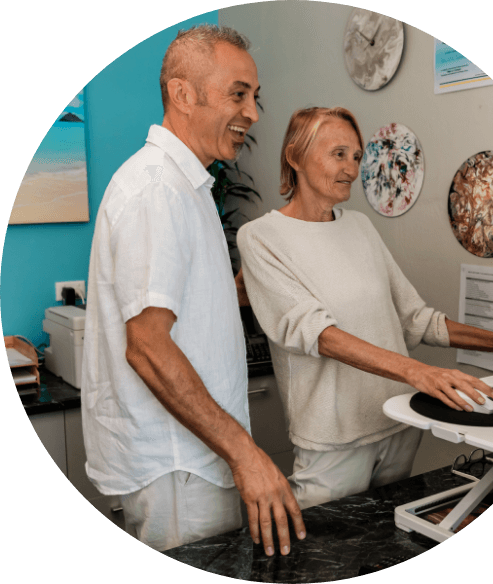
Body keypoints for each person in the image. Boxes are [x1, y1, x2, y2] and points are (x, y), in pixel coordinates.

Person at [236, 106, 493, 510]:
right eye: (338, 154)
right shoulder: (261, 236)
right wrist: (420, 372)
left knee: (385, 545)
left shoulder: (359, 226)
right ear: (295, 156)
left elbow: (416, 319)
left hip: (398, 421)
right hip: (335, 440)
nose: (352, 169)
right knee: (325, 559)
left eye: (356, 156)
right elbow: (317, 335)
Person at [81, 24, 305, 556]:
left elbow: (175, 309)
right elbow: (149, 347)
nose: (252, 112)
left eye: (254, 97)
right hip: (178, 466)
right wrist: (246, 454)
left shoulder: (188, 184)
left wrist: (232, 293)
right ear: (182, 94)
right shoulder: (157, 189)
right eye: (238, 94)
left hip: (192, 459)